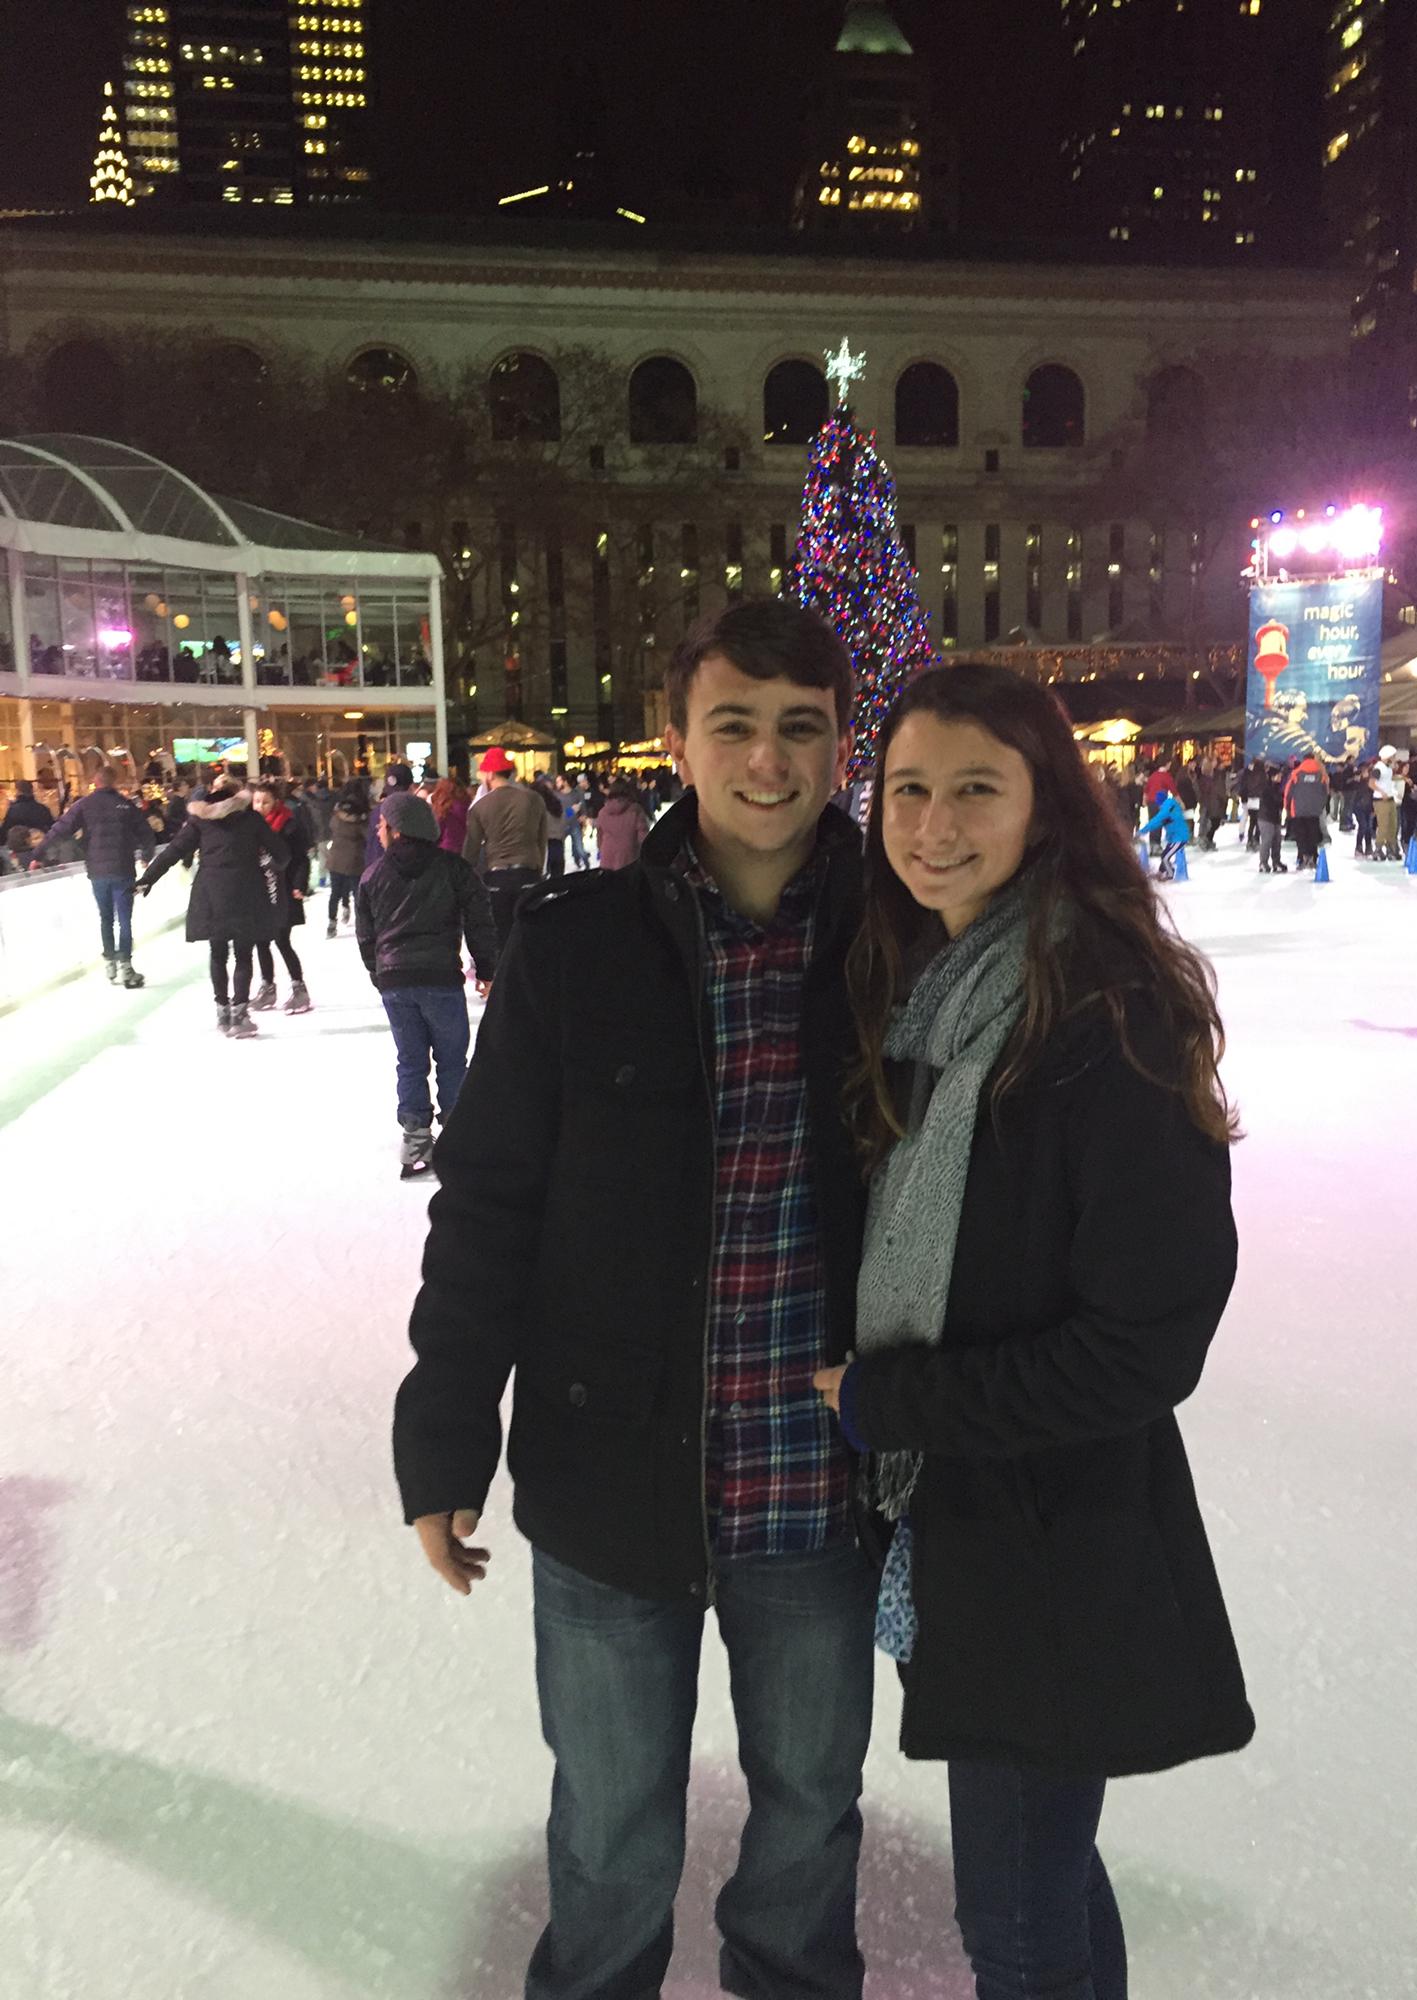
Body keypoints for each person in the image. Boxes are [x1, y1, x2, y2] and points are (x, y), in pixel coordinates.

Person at [392, 598, 874, 1999]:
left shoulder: (902, 947)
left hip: (818, 1489)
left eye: (802, 728)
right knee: (608, 1836)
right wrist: (443, 1432)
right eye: (735, 724)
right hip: (613, 1474)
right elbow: (487, 1202)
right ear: (677, 741)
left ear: (845, 747)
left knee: (807, 1813)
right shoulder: (576, 945)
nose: (769, 761)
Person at [813, 662, 1253, 2000]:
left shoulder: (1099, 1012)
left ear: (1045, 806)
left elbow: (1144, 1344)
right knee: (1048, 1876)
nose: (933, 825)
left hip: (1050, 1540)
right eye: (909, 790)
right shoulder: (941, 988)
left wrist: (890, 1404)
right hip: (990, 1534)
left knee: (1014, 1917)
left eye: (976, 791)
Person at [356, 791, 498, 1176]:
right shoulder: (453, 868)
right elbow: (479, 918)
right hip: (440, 979)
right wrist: (487, 967)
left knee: (411, 1060)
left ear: (398, 830)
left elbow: (366, 936)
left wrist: (379, 973)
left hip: (396, 982)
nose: (378, 831)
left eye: (382, 825)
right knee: (452, 1058)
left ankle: (416, 1139)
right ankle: (457, 1135)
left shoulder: (373, 875)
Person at [137, 773, 287, 1036]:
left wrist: (147, 879)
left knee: (218, 953)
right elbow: (282, 854)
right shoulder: (251, 819)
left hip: (211, 894)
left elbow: (173, 851)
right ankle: (240, 1015)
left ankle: (222, 1012)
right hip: (246, 891)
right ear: (238, 797)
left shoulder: (200, 822)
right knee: (243, 954)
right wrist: (269, 868)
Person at [38, 764, 155, 989]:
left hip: (98, 872)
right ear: (114, 782)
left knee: (106, 918)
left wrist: (37, 853)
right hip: (123, 870)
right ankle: (126, 965)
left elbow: (60, 830)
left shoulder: (84, 805)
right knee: (124, 920)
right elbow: (145, 832)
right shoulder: (126, 805)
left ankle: (110, 960)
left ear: (95, 781)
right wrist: (147, 855)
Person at [462, 749, 548, 963]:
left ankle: (502, 985)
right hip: (529, 875)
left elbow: (470, 852)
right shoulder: (534, 799)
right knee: (529, 937)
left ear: (490, 774)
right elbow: (541, 839)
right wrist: (538, 869)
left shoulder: (480, 807)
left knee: (500, 937)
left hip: (497, 879)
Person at [248, 782, 313, 1014]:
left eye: (265, 801)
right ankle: (267, 988)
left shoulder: (289, 825)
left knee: (281, 939)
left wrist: (299, 884)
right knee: (261, 940)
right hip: (259, 892)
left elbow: (301, 859)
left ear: (275, 802)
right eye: (256, 801)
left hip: (284, 891)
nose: (260, 806)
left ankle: (299, 988)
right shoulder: (250, 827)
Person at [326, 780, 369, 936]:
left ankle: (331, 923)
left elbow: (330, 825)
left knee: (335, 892)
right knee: (357, 893)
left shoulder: (336, 819)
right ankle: (360, 922)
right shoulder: (360, 823)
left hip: (335, 860)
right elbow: (367, 835)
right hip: (354, 861)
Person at [1138, 781, 1193, 882]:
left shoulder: (1167, 808)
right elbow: (1159, 823)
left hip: (1179, 838)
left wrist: (1143, 830)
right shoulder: (1169, 807)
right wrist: (1146, 830)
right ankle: (1161, 872)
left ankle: (1170, 873)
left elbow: (1157, 820)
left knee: (1165, 857)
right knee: (1164, 854)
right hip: (1175, 837)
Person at [594, 777, 651, 870]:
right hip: (629, 857)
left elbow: (599, 836)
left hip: (607, 856)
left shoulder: (603, 812)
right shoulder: (635, 810)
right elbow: (643, 836)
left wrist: (601, 850)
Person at [1283, 755, 1328, 871]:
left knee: (1301, 835)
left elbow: (1288, 792)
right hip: (1314, 811)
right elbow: (1325, 793)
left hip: (1298, 810)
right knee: (1313, 834)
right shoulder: (1320, 775)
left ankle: (1302, 858)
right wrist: (1320, 807)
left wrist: (1287, 807)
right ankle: (1313, 857)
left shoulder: (1296, 773)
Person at [1370, 746, 1403, 862]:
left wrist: (1401, 778)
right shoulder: (1378, 768)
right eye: (1393, 756)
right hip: (1381, 801)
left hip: (1390, 799)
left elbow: (1388, 779)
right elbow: (1371, 783)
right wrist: (1381, 792)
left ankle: (1391, 848)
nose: (1394, 758)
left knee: (1393, 825)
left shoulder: (1388, 769)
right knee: (1383, 826)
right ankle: (1378, 849)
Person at [1256, 763, 1288, 873]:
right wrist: (1279, 801)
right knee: (1267, 841)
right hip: (1266, 818)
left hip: (1275, 818)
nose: (1280, 778)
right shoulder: (1266, 787)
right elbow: (1272, 802)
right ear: (1272, 776)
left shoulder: (1276, 787)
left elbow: (1279, 802)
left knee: (1277, 841)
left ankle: (1276, 862)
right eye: (1278, 775)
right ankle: (1263, 863)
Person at [427, 775, 470, 856]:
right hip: (465, 851)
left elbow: (434, 833)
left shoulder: (444, 810)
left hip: (445, 852)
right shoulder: (468, 807)